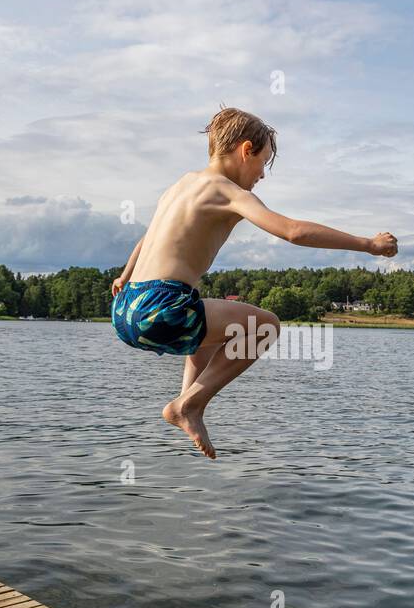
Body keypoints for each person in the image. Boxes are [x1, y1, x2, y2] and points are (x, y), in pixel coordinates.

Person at [111, 107, 397, 458]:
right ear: (246, 150)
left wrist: (124, 276)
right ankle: (188, 405)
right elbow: (293, 231)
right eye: (263, 162)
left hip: (126, 307)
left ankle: (188, 404)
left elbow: (148, 236)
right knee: (266, 326)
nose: (262, 174)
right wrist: (368, 245)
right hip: (161, 307)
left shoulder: (180, 185)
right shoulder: (228, 192)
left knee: (211, 325)